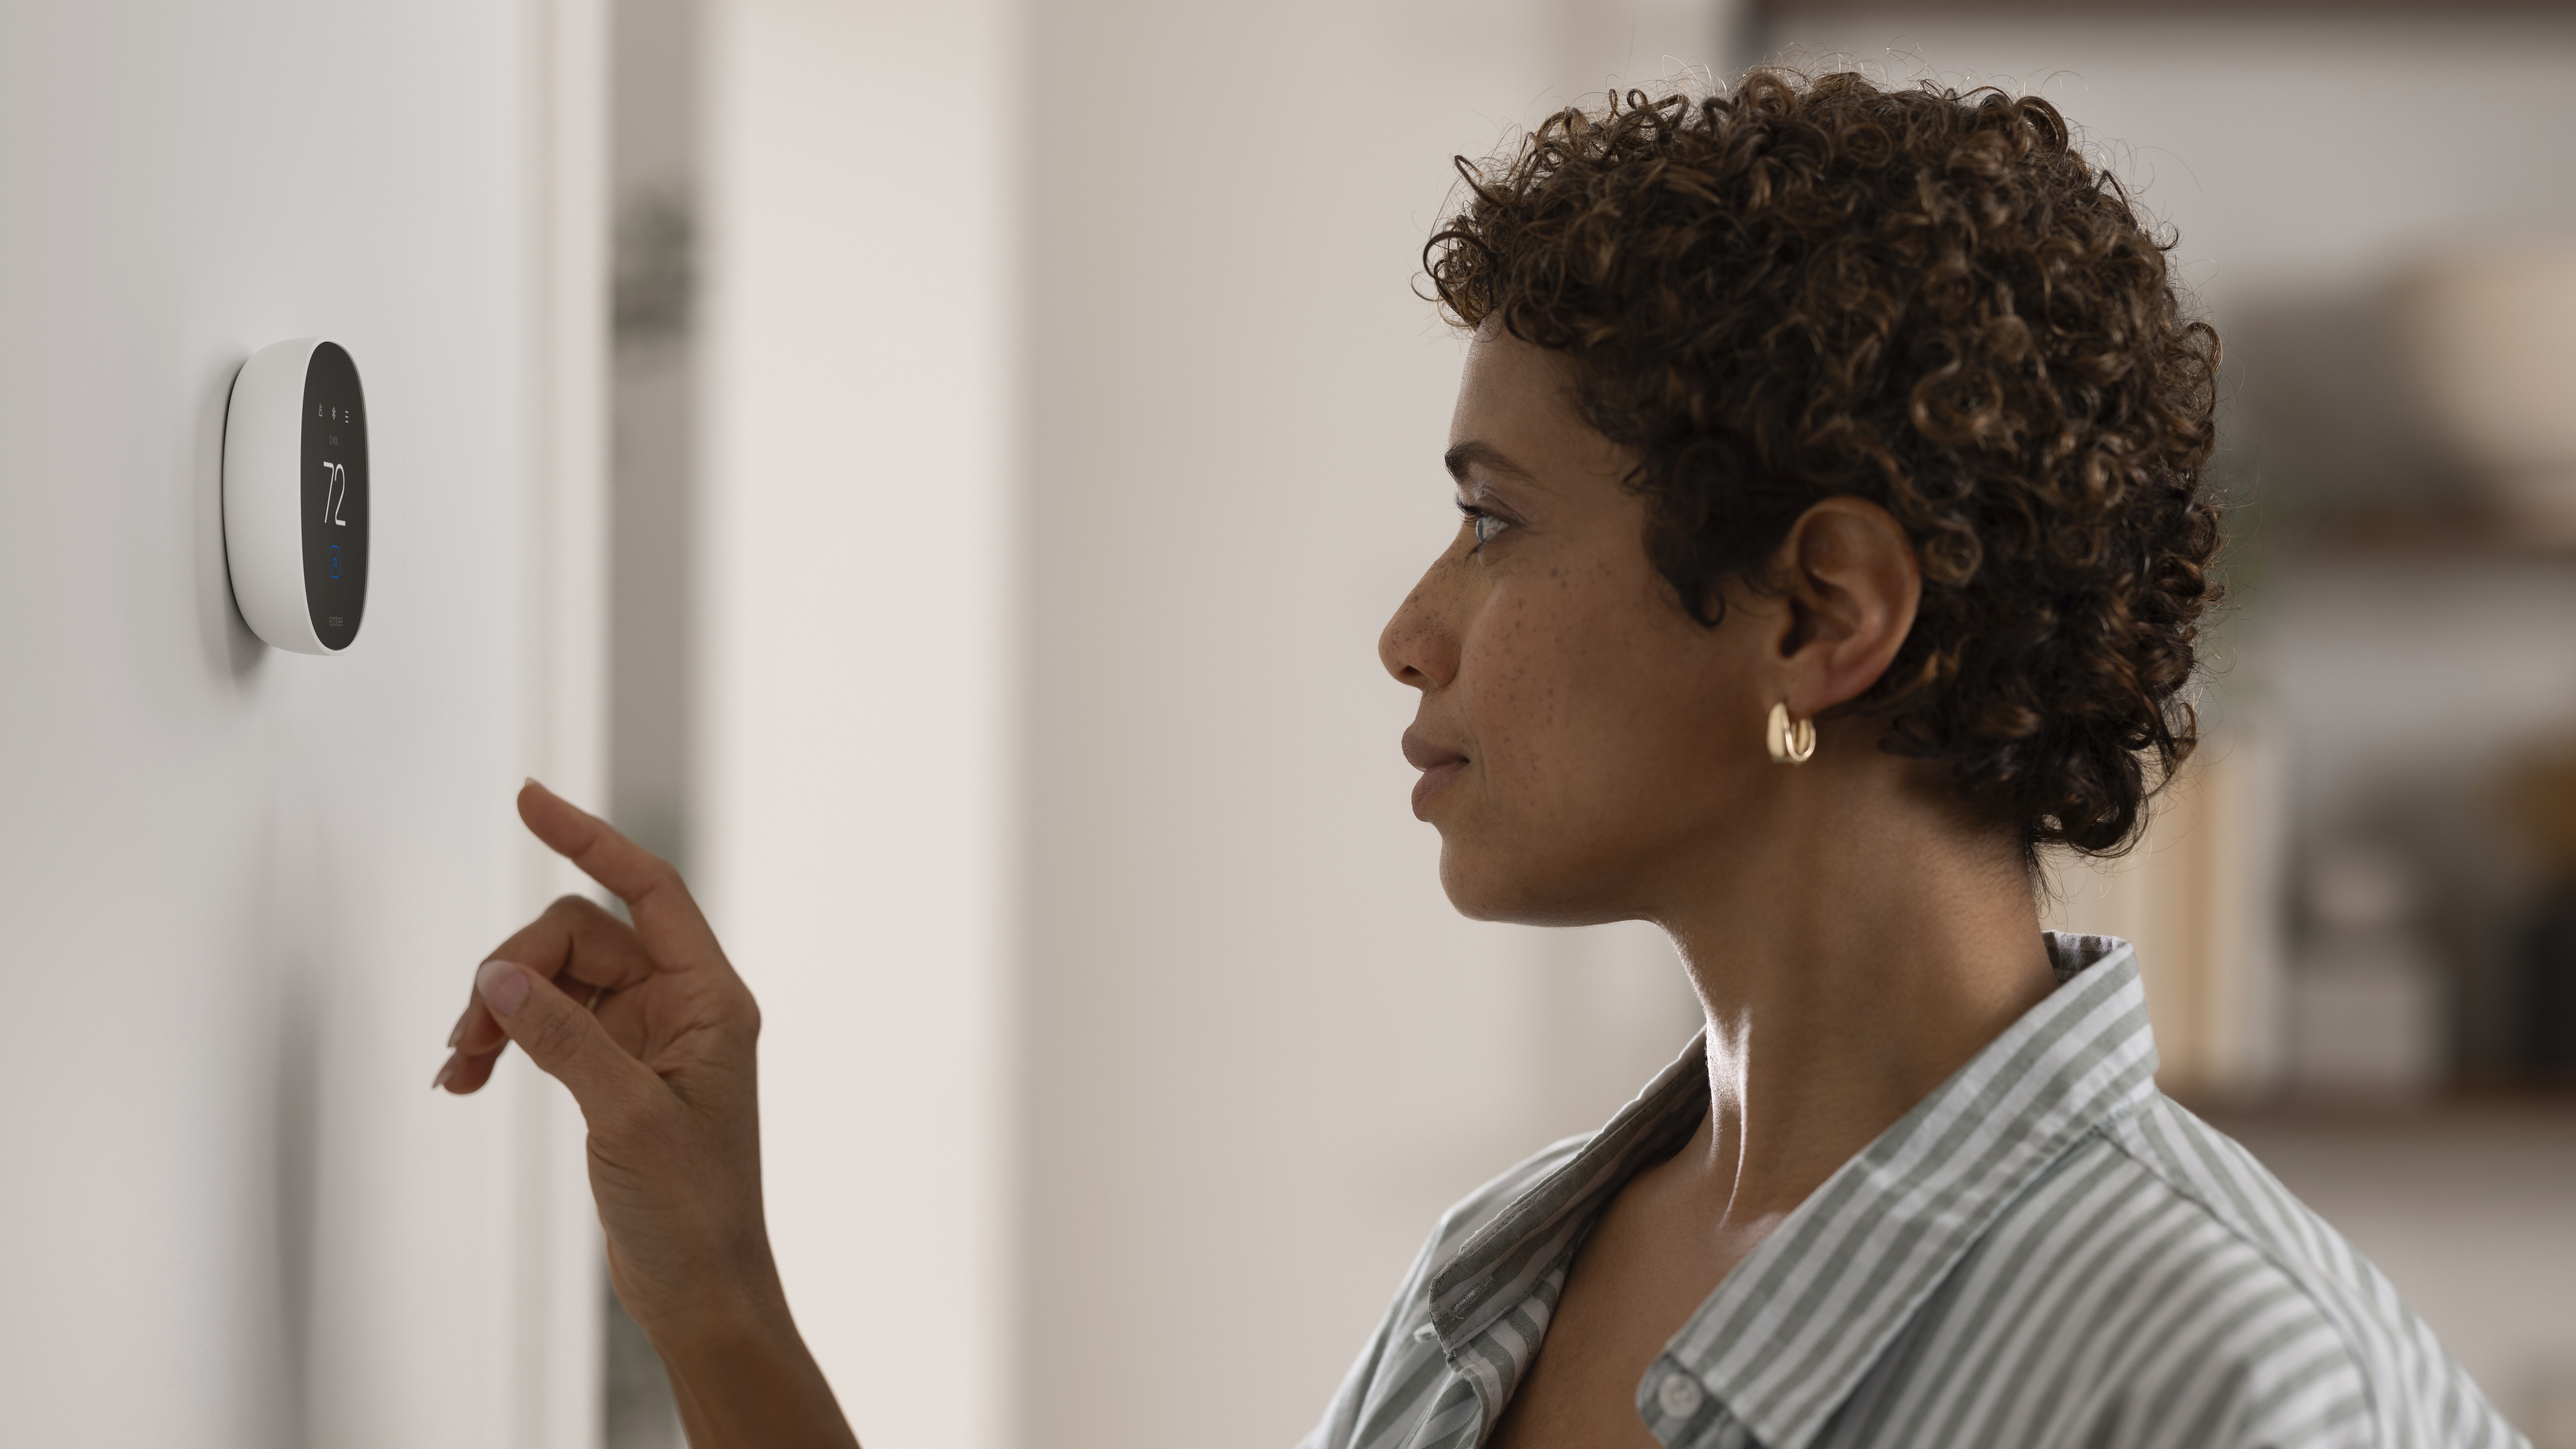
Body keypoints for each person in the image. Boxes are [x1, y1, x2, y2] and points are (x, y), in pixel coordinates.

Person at [432, 70, 2519, 1449]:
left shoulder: (2223, 1386)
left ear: (1820, 614)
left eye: (1495, 517)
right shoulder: (1504, 1282)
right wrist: (710, 1266)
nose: (1410, 625)